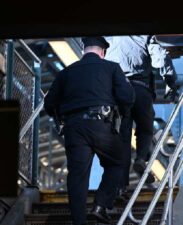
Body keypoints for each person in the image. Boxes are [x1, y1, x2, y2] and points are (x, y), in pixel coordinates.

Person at [44, 37, 134, 225]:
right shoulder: (111, 68)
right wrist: (121, 116)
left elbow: (49, 103)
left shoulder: (66, 72)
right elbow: (127, 97)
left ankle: (78, 221)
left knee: (77, 175)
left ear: (83, 50)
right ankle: (100, 206)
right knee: (117, 162)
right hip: (102, 125)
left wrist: (62, 116)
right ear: (102, 52)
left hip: (74, 128)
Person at [104, 35, 178, 193]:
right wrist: (170, 81)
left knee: (122, 139)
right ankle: (141, 157)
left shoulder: (107, 36)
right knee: (145, 128)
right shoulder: (144, 35)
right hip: (140, 88)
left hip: (118, 91)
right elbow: (161, 57)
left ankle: (120, 187)